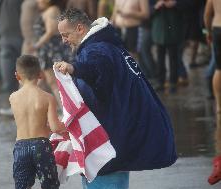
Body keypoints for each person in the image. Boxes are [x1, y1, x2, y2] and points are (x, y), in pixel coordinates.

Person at [55, 8, 177, 189]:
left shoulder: (97, 49)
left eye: (66, 35)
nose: (63, 40)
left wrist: (74, 69)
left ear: (80, 28)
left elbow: (96, 69)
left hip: (108, 142)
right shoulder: (107, 44)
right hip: (118, 135)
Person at [10, 55, 65, 189]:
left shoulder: (13, 98)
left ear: (17, 76)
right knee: (49, 185)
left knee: (22, 186)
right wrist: (68, 125)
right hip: (41, 146)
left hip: (21, 146)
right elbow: (55, 127)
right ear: (40, 75)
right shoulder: (47, 98)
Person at [31, 0, 73, 110]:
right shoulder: (51, 10)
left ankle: (66, 110)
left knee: (54, 83)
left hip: (51, 51)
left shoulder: (51, 10)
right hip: (49, 51)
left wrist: (36, 45)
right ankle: (30, 108)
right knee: (42, 81)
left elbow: (50, 31)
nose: (37, 1)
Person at [204, 0, 221, 185]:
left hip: (218, 27)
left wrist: (207, 31)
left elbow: (207, 14)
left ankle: (219, 105)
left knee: (219, 69)